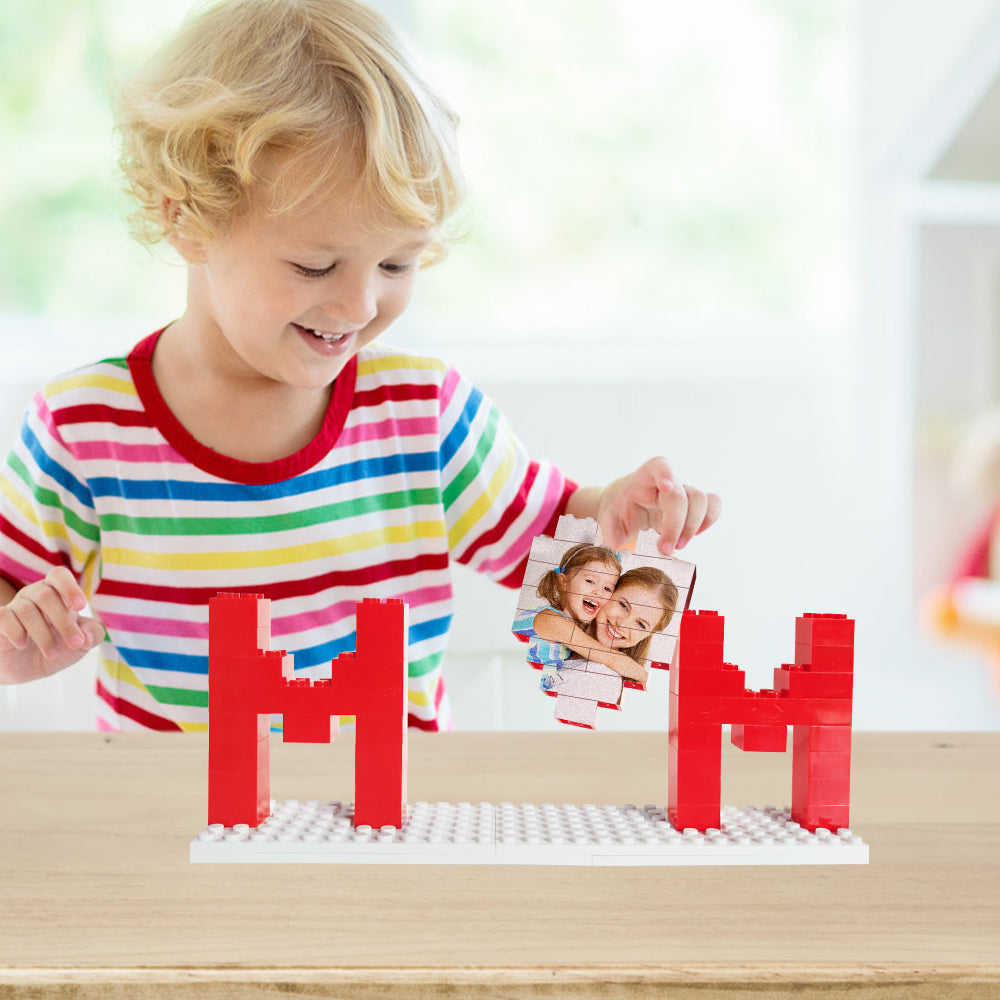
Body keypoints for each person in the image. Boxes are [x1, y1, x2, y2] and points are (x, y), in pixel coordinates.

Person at [0, 0, 720, 732]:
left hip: (383, 832)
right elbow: (8, 590)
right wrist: (15, 638)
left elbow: (553, 540)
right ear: (187, 219)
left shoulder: (425, 415)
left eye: (396, 262)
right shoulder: (84, 428)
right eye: (315, 265)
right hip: (167, 833)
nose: (358, 303)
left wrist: (617, 509)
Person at [511, 543, 621, 670]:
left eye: (607, 588)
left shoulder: (578, 630)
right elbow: (611, 658)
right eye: (590, 581)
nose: (598, 592)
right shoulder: (551, 620)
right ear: (564, 582)